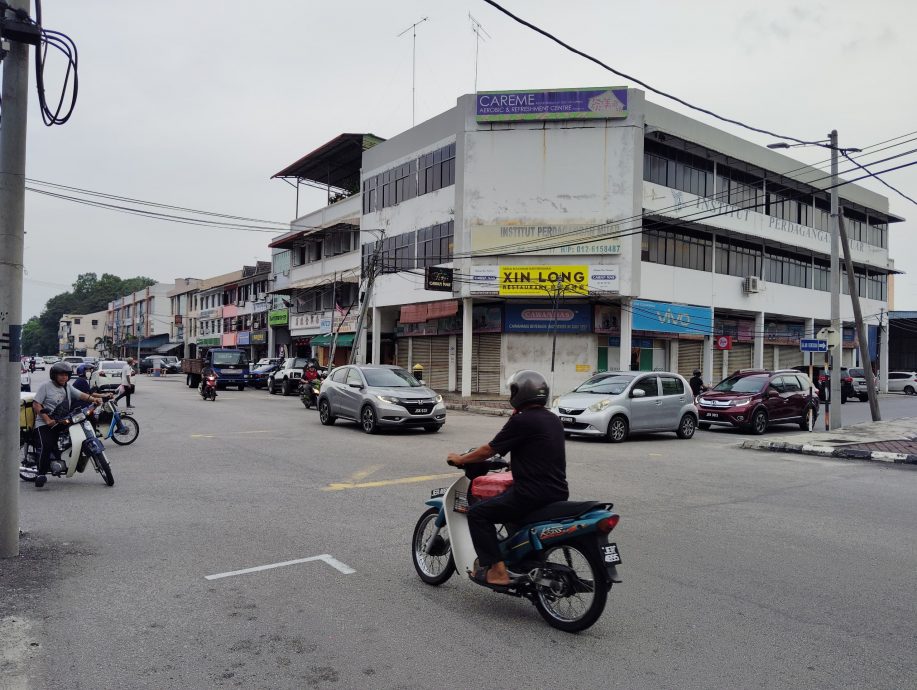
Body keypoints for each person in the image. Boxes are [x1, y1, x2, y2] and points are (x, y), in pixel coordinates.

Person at [446, 370, 568, 588]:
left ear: (519, 393)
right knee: (508, 509)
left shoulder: (523, 420)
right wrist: (516, 463)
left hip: (530, 493)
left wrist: (461, 458)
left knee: (478, 514)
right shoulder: (553, 419)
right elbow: (540, 451)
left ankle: (498, 572)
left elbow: (488, 450)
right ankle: (521, 561)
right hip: (557, 492)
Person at [31, 362, 105, 488]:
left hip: (61, 420)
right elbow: (36, 404)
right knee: (47, 445)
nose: (63, 377)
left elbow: (81, 395)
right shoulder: (45, 386)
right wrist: (47, 420)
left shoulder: (67, 387)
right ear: (54, 375)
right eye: (60, 375)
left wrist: (94, 400)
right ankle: (41, 474)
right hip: (45, 423)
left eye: (66, 375)